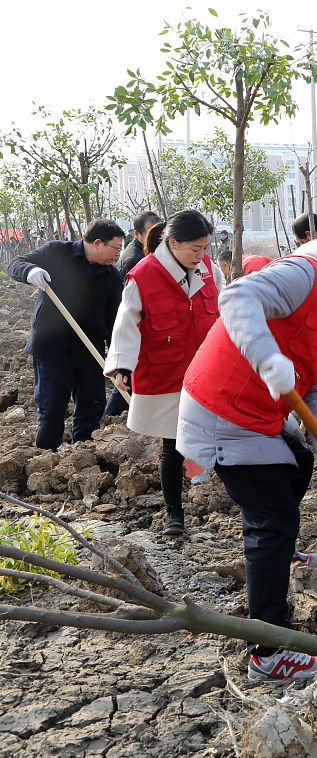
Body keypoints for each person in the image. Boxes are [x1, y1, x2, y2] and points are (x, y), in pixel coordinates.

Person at [176, 234, 317, 681]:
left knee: (298, 463)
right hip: (223, 408)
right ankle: (268, 652)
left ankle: (281, 554)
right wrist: (266, 359)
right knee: (271, 520)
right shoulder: (306, 275)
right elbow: (238, 294)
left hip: (261, 412)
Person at [105, 211, 223, 535]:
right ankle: (175, 515)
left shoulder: (209, 270)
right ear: (172, 243)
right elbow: (125, 325)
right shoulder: (143, 276)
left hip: (205, 372)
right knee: (172, 446)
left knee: (222, 437)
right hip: (166, 372)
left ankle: (230, 497)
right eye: (195, 249)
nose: (201, 256)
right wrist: (122, 366)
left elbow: (225, 312)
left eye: (205, 248)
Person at [6, 219, 125, 450]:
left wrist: (118, 357)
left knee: (91, 408)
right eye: (116, 248)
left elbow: (114, 321)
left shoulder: (111, 277)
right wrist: (31, 271)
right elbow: (15, 264)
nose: (118, 255)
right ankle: (47, 458)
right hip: (52, 349)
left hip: (89, 349)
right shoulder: (57, 252)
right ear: (98, 243)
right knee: (51, 408)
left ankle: (82, 456)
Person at [104, 210, 165, 417]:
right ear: (137, 234)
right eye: (150, 232)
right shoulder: (136, 260)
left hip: (138, 324)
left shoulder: (145, 254)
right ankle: (113, 415)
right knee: (128, 373)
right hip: (133, 324)